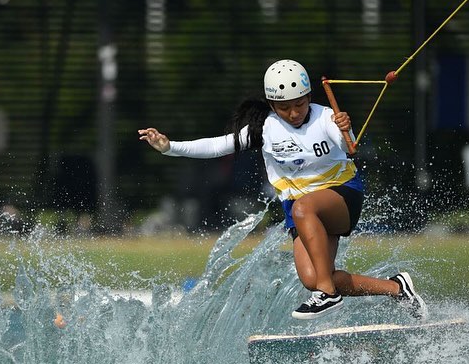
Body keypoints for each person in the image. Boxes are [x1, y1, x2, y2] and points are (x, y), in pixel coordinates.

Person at [138, 59, 426, 320]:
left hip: (341, 195)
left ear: (308, 97)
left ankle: (328, 294)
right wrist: (169, 147)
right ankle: (397, 288)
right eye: (284, 107)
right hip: (300, 212)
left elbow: (347, 146)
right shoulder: (265, 128)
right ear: (272, 105)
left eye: (299, 104)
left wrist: (345, 129)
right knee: (313, 278)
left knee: (306, 213)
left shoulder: (325, 117)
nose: (293, 112)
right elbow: (217, 145)